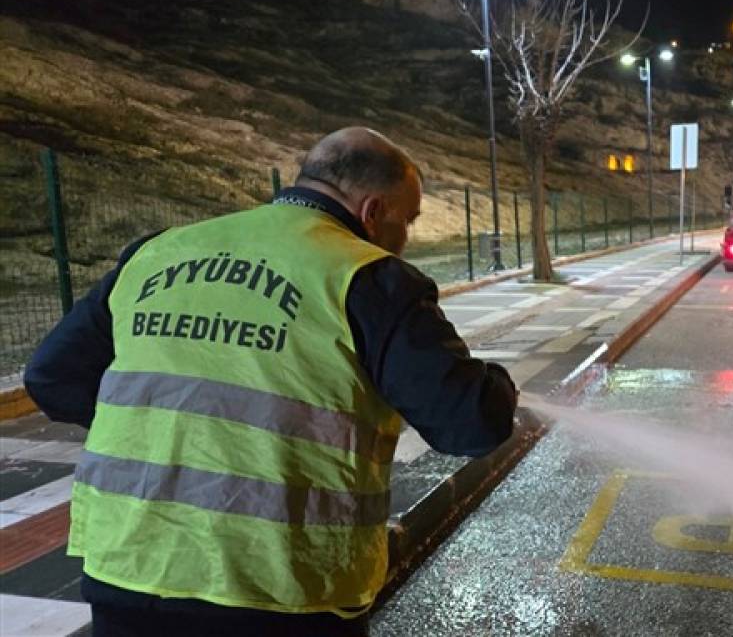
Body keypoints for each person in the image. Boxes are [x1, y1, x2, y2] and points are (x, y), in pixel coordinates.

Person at [25, 127, 518, 636]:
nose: (406, 237)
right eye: (407, 219)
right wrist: (498, 385)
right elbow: (470, 425)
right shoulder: (368, 277)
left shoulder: (155, 252)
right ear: (372, 211)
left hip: (128, 565)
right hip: (278, 583)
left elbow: (52, 377)